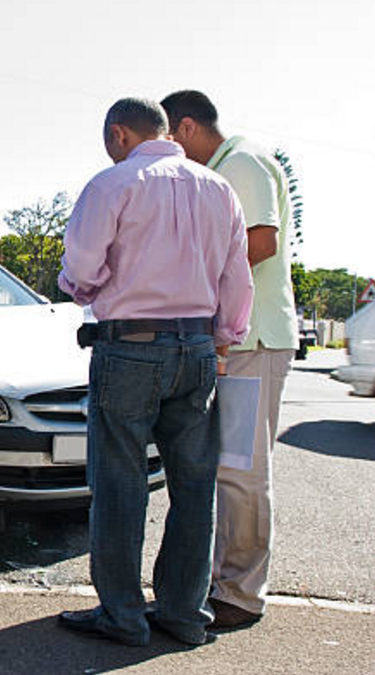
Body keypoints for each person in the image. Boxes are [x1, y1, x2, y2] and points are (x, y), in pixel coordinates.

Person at [56, 97, 254, 647]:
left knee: (120, 483)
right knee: (193, 486)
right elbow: (237, 279)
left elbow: (83, 270)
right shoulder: (217, 188)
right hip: (196, 349)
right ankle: (184, 615)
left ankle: (122, 616)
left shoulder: (113, 183)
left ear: (120, 134)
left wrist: (79, 288)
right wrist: (221, 339)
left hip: (130, 348)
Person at [161, 90, 299, 629]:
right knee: (228, 468)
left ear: (188, 128)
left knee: (242, 470)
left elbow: (260, 241)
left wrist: (190, 278)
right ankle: (224, 582)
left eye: (170, 140)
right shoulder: (224, 166)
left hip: (255, 340)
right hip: (235, 342)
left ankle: (240, 595)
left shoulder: (241, 163)